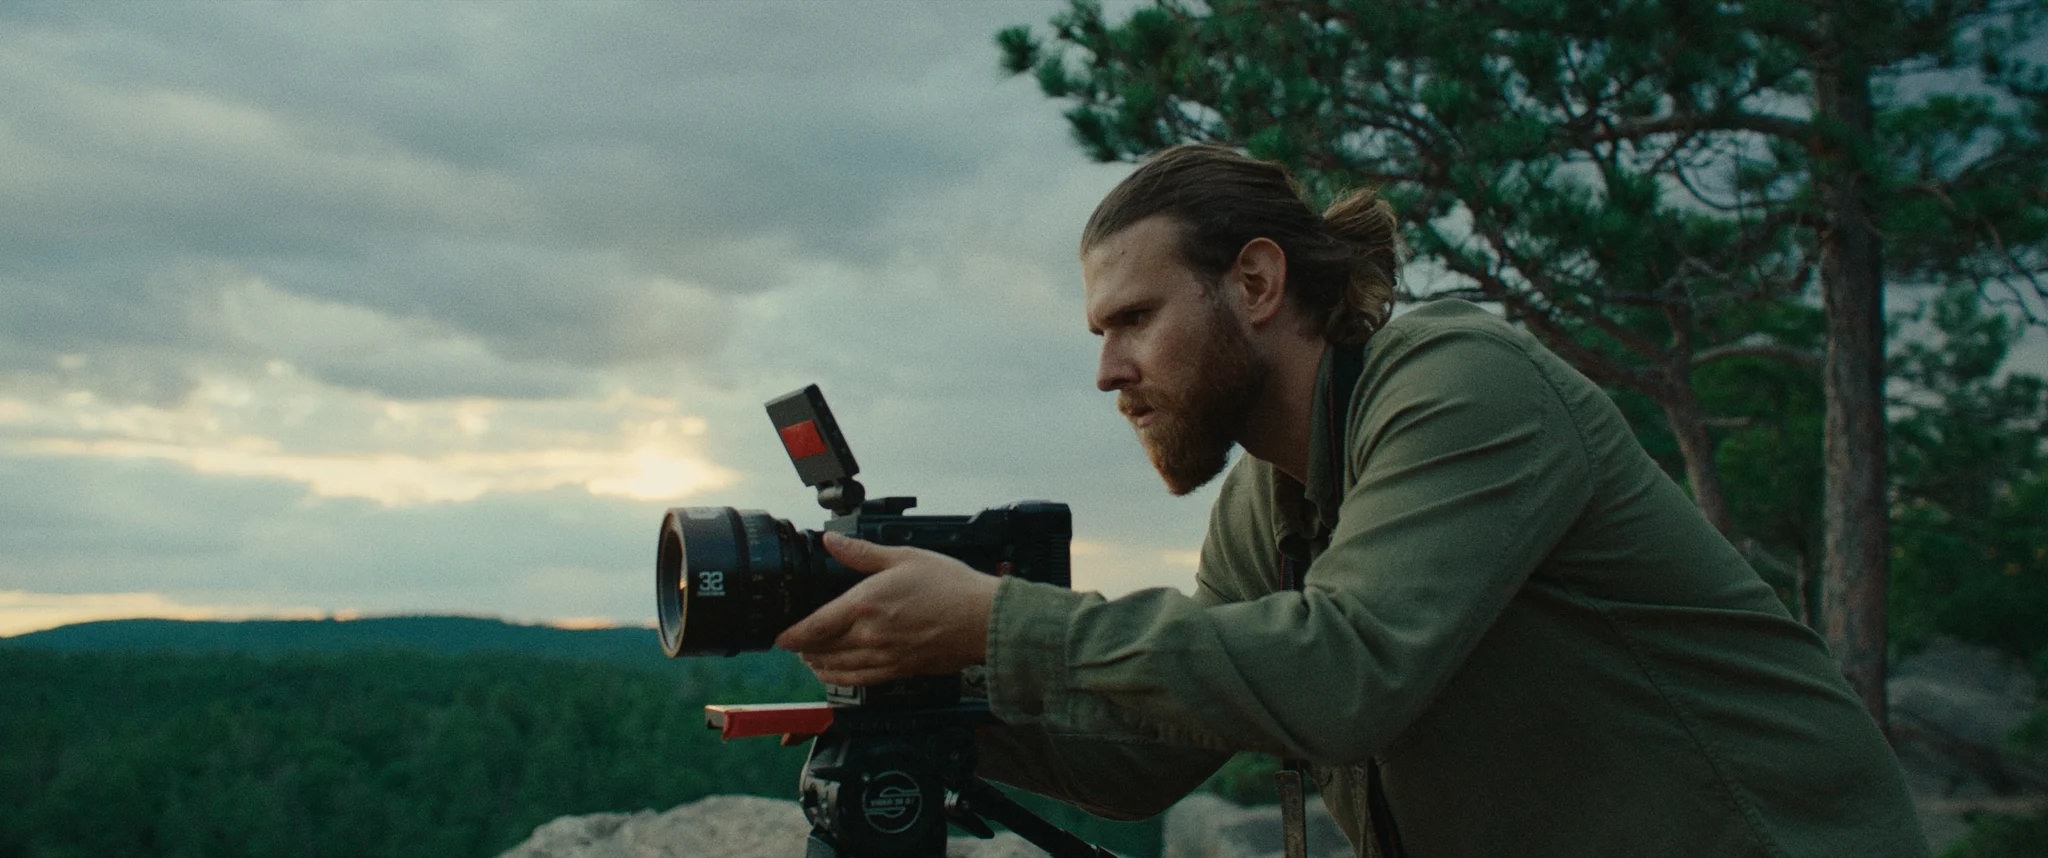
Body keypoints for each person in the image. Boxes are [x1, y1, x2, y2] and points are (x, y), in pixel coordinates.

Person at [776, 144, 1927, 857]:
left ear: (1258, 282)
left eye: (1132, 319)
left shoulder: (1461, 385)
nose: (1106, 372)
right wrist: (920, 696)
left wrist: (989, 620)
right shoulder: (1264, 501)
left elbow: (1341, 674)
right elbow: (1147, 755)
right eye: (1099, 332)